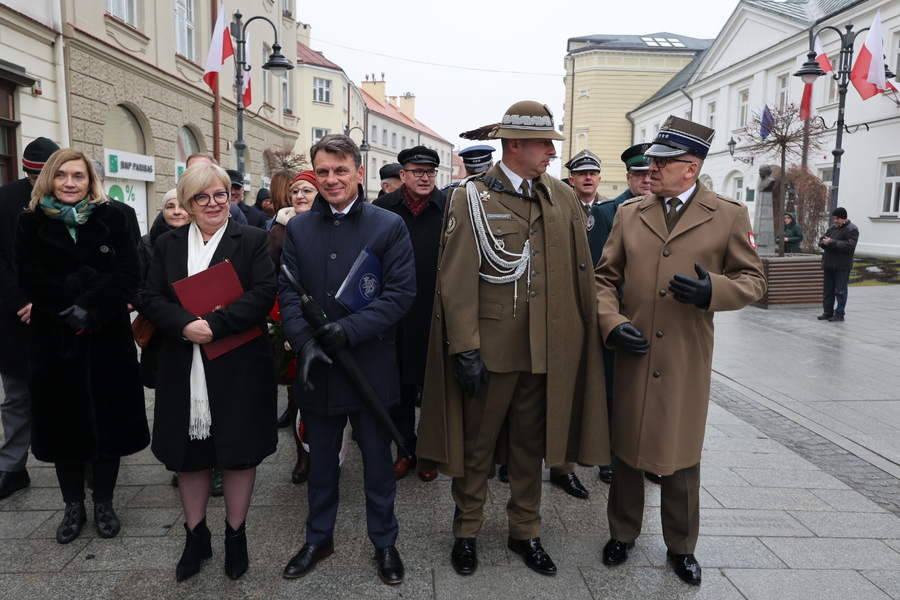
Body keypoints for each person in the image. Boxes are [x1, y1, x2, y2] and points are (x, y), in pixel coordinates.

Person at [417, 101, 608, 576]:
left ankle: (526, 530)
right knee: (478, 447)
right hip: (493, 348)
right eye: (544, 144)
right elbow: (456, 279)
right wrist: (465, 348)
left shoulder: (561, 196)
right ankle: (467, 531)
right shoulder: (473, 197)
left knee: (530, 446)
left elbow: (574, 272)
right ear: (515, 145)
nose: (551, 152)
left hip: (546, 348)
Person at [595, 116, 766, 586]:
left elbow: (753, 280)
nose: (650, 168)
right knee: (627, 447)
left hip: (686, 356)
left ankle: (682, 546)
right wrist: (612, 322)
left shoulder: (727, 214)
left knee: (681, 453)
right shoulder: (631, 213)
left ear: (689, 168)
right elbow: (604, 279)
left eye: (661, 162)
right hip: (635, 346)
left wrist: (712, 290)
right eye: (650, 161)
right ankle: (622, 533)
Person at [279, 134, 415, 585]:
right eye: (323, 171)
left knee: (378, 463)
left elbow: (400, 294)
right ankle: (320, 537)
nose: (331, 179)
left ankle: (385, 541)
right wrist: (306, 343)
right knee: (321, 465)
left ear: (359, 171)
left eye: (340, 170)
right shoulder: (298, 229)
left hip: (370, 366)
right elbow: (288, 293)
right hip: (319, 369)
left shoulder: (387, 225)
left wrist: (348, 330)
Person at [136, 162, 278, 581]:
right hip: (182, 364)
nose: (213, 203)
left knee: (238, 452)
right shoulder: (168, 244)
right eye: (202, 197)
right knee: (190, 454)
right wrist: (183, 323)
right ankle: (195, 535)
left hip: (238, 365)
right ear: (187, 203)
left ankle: (237, 535)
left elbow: (263, 292)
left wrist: (214, 325)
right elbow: (147, 293)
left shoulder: (252, 238)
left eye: (221, 194)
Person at [14, 148, 150, 543]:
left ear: (91, 180)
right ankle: (73, 506)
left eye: (79, 176)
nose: (70, 183)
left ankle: (104, 502)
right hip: (54, 341)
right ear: (49, 180)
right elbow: (30, 276)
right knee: (62, 426)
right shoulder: (29, 221)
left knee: (110, 423)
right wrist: (66, 309)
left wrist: (91, 308)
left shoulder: (117, 216)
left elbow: (129, 270)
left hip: (107, 336)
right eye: (62, 176)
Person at [373, 146, 445, 482]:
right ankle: (405, 449)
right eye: (418, 171)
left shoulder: (449, 207)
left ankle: (429, 453)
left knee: (433, 387)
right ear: (402, 176)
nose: (425, 177)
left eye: (430, 171)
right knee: (399, 387)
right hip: (395, 314)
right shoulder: (383, 208)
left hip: (436, 312)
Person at [588, 143, 653, 484]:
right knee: (614, 391)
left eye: (649, 173)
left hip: (655, 318)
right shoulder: (605, 213)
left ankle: (651, 455)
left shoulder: (666, 211)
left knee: (652, 390)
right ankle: (611, 456)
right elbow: (598, 270)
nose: (646, 179)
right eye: (639, 174)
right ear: (629, 176)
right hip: (617, 316)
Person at [0, 137, 59, 500]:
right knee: (17, 396)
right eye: (32, 175)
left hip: (65, 314)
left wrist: (49, 301)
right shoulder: (4, 199)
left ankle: (81, 457)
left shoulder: (79, 197)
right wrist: (21, 299)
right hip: (15, 316)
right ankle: (12, 467)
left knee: (70, 391)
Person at [268, 169, 318, 484]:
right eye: (295, 191)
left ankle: (330, 449)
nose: (299, 196)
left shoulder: (332, 224)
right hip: (288, 316)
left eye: (307, 191)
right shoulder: (278, 229)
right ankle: (303, 455)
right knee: (298, 391)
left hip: (327, 316)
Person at [136, 189, 190, 388]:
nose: (176, 212)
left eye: (182, 206)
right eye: (170, 206)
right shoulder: (148, 242)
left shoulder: (202, 238)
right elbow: (137, 287)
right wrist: (162, 313)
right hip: (160, 328)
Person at [817, 206, 858, 322]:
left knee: (840, 291)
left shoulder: (852, 229)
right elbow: (821, 240)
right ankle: (827, 312)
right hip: (829, 264)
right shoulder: (832, 229)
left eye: (838, 218)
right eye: (834, 218)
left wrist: (832, 242)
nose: (835, 221)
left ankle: (839, 314)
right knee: (828, 290)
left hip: (842, 265)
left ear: (844, 218)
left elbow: (849, 245)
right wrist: (824, 243)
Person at [564, 149, 605, 216]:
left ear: (599, 180)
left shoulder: (610, 207)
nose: (588, 177)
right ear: (572, 181)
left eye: (592, 174)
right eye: (582, 174)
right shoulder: (563, 207)